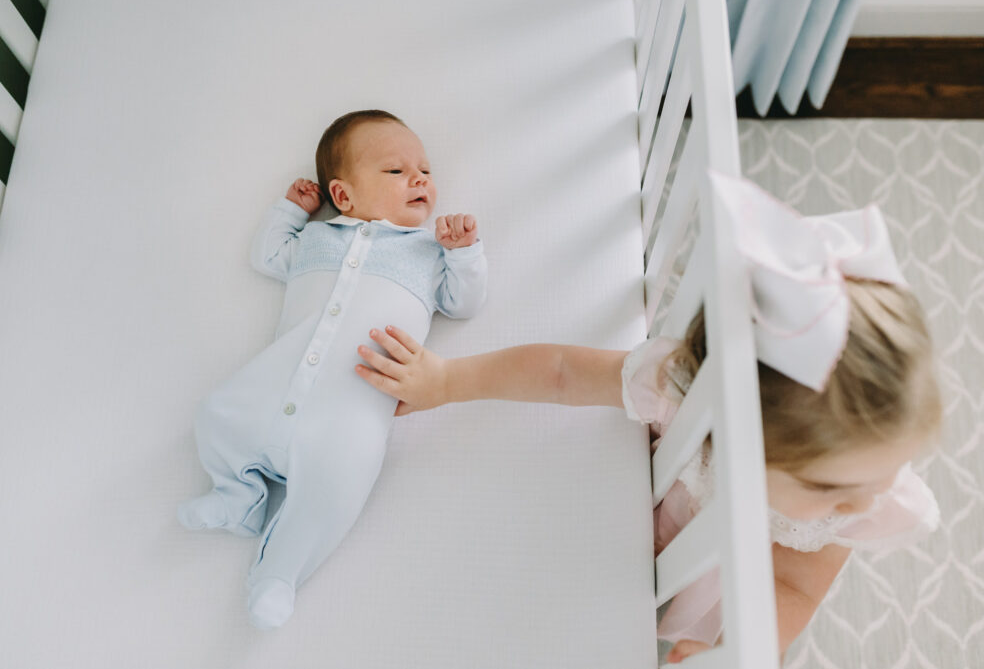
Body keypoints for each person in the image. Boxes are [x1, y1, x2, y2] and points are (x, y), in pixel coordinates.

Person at [353, 173, 941, 661]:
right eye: (836, 491)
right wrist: (450, 380)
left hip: (710, 580)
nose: (864, 504)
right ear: (739, 439)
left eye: (884, 477)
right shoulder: (679, 388)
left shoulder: (856, 499)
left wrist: (739, 653)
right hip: (638, 520)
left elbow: (793, 586)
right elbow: (561, 371)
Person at [178, 110, 487, 629]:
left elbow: (463, 303)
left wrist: (465, 253)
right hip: (272, 383)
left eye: (425, 170)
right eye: (396, 171)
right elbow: (267, 255)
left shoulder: (430, 251)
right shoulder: (318, 238)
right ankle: (237, 496)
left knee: (340, 484)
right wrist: (290, 211)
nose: (419, 179)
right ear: (342, 197)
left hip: (352, 406)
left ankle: (279, 574)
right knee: (217, 415)